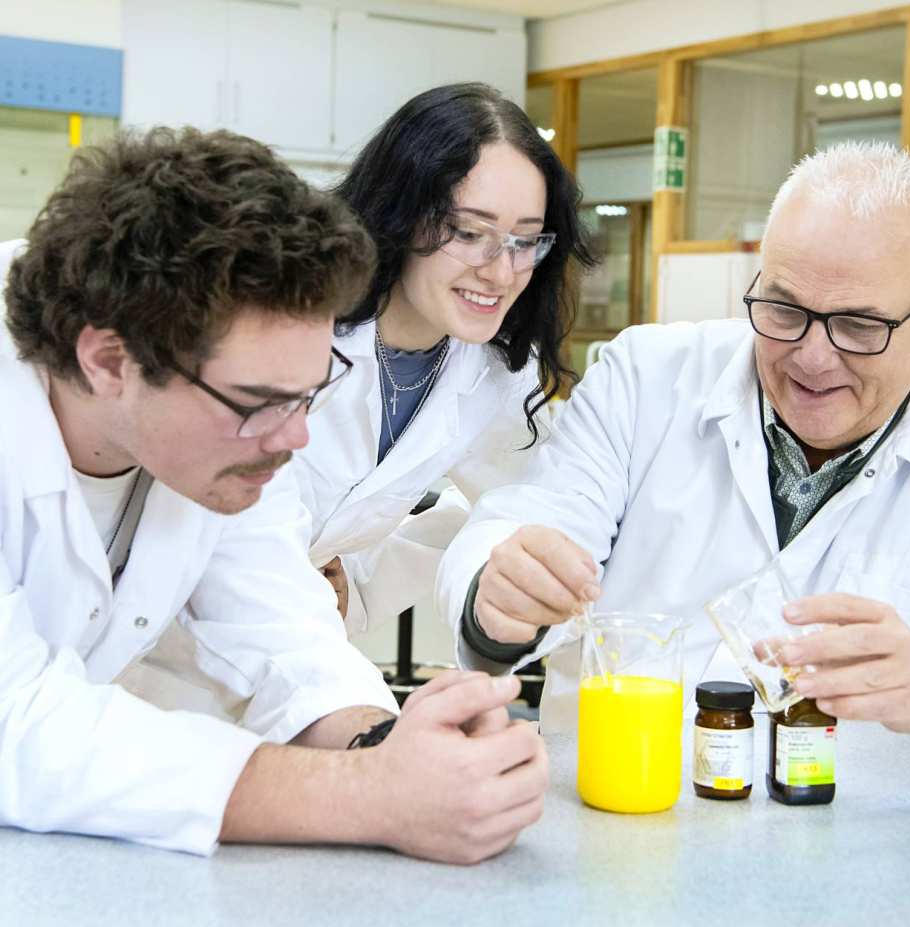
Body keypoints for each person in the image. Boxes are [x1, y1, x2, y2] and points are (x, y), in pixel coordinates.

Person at [0, 127, 547, 861]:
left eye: (307, 394)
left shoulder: (215, 441)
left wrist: (391, 744)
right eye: (260, 403)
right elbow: (17, 725)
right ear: (107, 359)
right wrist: (370, 794)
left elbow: (279, 619)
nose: (294, 439)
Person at [437, 140, 910, 804]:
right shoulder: (648, 378)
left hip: (867, 853)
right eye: (783, 309)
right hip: (615, 819)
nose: (812, 358)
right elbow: (529, 525)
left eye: (859, 325)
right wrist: (498, 596)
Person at [294, 82, 594, 632]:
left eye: (524, 240)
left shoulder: (494, 372)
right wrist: (295, 585)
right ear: (401, 214)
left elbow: (528, 510)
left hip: (290, 645)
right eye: (468, 231)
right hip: (152, 632)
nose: (501, 272)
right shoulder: (293, 326)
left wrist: (347, 589)